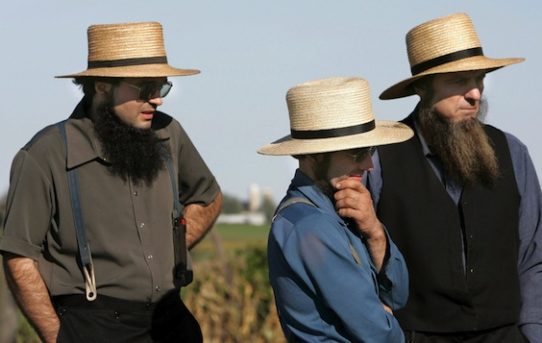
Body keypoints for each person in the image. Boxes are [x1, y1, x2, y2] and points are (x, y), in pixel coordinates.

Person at [0, 21, 222, 342]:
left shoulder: (168, 133)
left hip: (171, 320)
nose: (157, 100)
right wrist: (58, 337)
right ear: (102, 86)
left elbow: (208, 197)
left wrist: (170, 249)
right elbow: (19, 256)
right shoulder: (45, 154)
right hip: (93, 324)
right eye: (145, 89)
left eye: (162, 88)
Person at [370, 13, 542, 342]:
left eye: (479, 79)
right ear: (422, 87)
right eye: (459, 81)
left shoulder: (513, 152)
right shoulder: (379, 158)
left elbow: (535, 257)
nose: (475, 94)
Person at [258, 76, 413, 342]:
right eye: (356, 153)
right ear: (314, 154)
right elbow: (380, 334)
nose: (368, 164)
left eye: (370, 150)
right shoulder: (311, 226)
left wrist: (375, 232)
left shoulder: (337, 209)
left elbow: (398, 296)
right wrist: (383, 315)